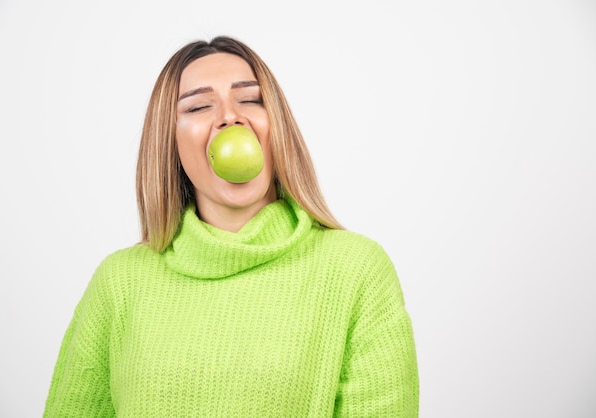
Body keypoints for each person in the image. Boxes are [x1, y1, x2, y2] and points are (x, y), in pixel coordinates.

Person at [44, 35, 419, 417]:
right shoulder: (119, 282)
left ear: (277, 128)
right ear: (169, 142)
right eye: (199, 106)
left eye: (250, 99)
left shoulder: (356, 270)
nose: (229, 116)